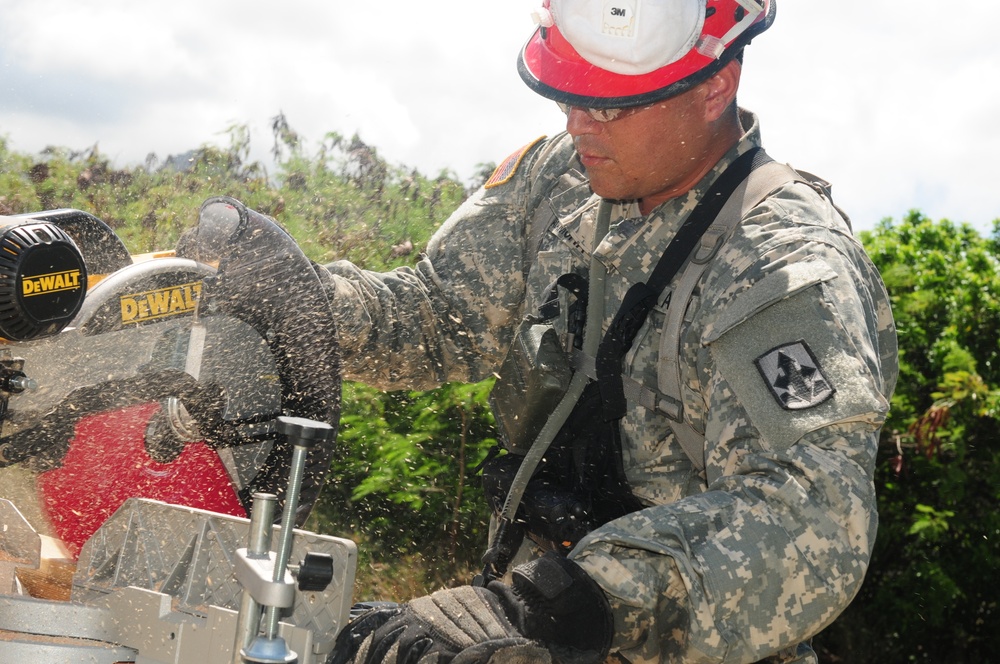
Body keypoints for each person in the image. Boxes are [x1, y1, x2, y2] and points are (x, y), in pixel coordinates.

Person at [321, 0, 898, 662]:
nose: (576, 121)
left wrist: (552, 605)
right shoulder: (559, 178)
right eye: (570, 93)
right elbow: (436, 318)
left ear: (715, 87)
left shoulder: (782, 262)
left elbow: (811, 519)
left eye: (612, 104)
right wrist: (298, 303)